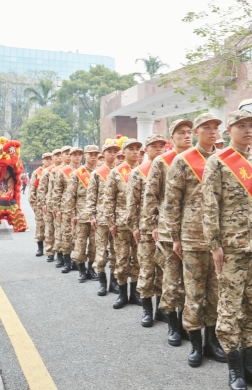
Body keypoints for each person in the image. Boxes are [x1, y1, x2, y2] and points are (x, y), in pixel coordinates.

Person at [202, 109, 252, 390]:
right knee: (230, 308)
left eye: (251, 126)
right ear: (229, 130)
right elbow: (210, 206)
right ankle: (235, 369)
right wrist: (215, 245)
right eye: (241, 126)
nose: (247, 131)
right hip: (231, 248)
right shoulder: (218, 162)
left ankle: (250, 362)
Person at [164, 112, 227, 368]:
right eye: (207, 128)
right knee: (194, 294)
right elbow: (172, 202)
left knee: (216, 293)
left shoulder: (224, 159)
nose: (213, 132)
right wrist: (174, 237)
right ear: (197, 132)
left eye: (216, 128)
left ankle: (212, 341)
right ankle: (196, 344)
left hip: (220, 240)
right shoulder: (182, 161)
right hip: (191, 238)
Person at [143, 119, 192, 347]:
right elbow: (150, 196)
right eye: (181, 133)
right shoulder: (162, 162)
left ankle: (188, 323)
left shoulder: (200, 160)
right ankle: (173, 325)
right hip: (168, 229)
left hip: (195, 230)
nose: (186, 136)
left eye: (189, 132)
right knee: (173, 281)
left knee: (193, 281)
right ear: (172, 138)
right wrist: (153, 225)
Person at [127, 134, 167, 326]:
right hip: (146, 228)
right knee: (147, 269)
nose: (159, 149)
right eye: (154, 146)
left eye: (162, 145)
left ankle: (161, 309)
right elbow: (132, 202)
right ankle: (147, 310)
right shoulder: (139, 172)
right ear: (147, 150)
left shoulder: (170, 167)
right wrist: (134, 226)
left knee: (163, 270)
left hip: (167, 227)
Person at [104, 138, 143, 309]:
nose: (135, 152)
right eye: (131, 149)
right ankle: (122, 293)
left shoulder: (145, 171)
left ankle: (135, 292)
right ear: (124, 152)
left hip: (141, 222)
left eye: (137, 149)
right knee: (121, 257)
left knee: (137, 258)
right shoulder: (116, 173)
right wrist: (110, 222)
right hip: (121, 222)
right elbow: (109, 199)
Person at [87, 139, 120, 296]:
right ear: (104, 154)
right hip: (101, 218)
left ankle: (114, 282)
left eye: (115, 152)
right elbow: (91, 196)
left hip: (117, 218)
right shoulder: (97, 173)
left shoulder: (122, 171)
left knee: (116, 251)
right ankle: (102, 281)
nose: (112, 154)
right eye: (109, 152)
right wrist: (92, 215)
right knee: (101, 251)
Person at [63, 145, 100, 282]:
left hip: (97, 216)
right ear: (85, 155)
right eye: (90, 154)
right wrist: (72, 215)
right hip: (81, 215)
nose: (94, 157)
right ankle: (82, 271)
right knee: (80, 244)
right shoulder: (78, 173)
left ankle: (91, 269)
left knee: (95, 245)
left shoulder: (101, 172)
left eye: (96, 154)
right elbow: (70, 196)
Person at [53, 147, 82, 273]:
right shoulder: (63, 171)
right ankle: (66, 261)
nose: (76, 157)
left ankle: (76, 260)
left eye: (79, 155)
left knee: (78, 236)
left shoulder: (85, 171)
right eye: (73, 155)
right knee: (66, 234)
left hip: (81, 208)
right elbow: (57, 191)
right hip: (66, 208)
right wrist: (57, 208)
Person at [37, 148, 62, 262]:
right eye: (56, 156)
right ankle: (50, 251)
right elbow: (42, 189)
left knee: (60, 229)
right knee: (49, 229)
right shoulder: (47, 171)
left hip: (60, 205)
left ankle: (60, 251)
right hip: (49, 203)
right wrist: (42, 203)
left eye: (60, 155)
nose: (59, 158)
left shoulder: (65, 170)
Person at [49, 146, 72, 269]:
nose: (69, 156)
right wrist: (54, 206)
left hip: (75, 207)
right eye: (66, 154)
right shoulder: (56, 170)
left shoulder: (79, 170)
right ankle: (60, 256)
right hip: (62, 206)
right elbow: (53, 190)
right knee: (60, 232)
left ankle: (72, 257)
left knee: (74, 234)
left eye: (70, 153)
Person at [30, 152, 52, 257]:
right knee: (40, 225)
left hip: (51, 203)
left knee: (51, 227)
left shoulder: (55, 170)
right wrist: (33, 203)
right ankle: (40, 247)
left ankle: (51, 249)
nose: (49, 161)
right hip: (39, 204)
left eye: (50, 159)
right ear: (42, 161)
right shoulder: (37, 172)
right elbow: (32, 189)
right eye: (46, 159)